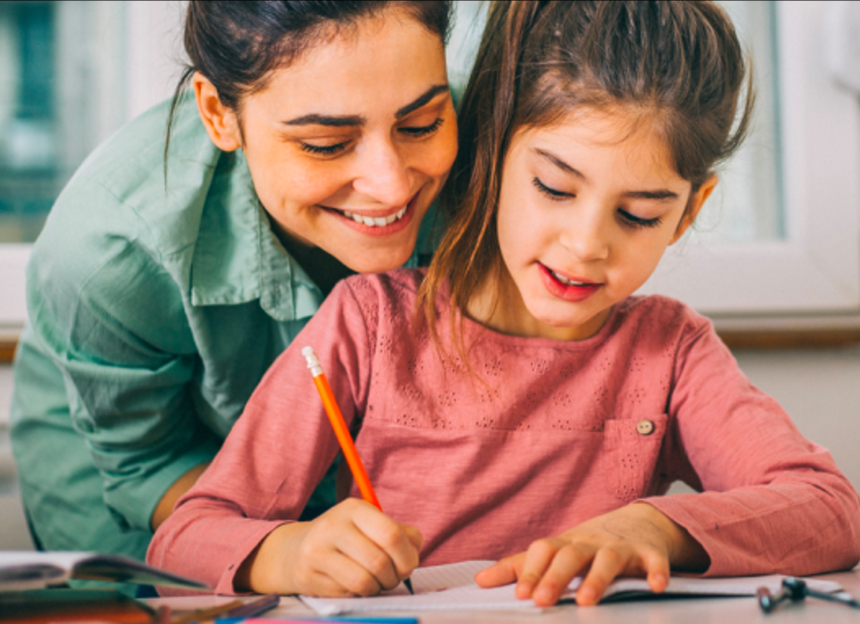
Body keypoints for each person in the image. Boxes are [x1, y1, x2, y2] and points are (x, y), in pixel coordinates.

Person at [147, 0, 860, 607]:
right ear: (492, 150)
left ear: (689, 210)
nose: (586, 246)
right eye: (554, 188)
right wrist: (289, 552)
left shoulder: (668, 352)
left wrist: (654, 528)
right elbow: (182, 538)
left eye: (639, 214)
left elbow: (831, 511)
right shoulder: (371, 325)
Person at [10, 0, 456, 564]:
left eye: (422, 124)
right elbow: (147, 465)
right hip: (145, 469)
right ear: (219, 114)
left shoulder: (507, 156)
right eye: (325, 144)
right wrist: (279, 551)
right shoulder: (111, 250)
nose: (391, 187)